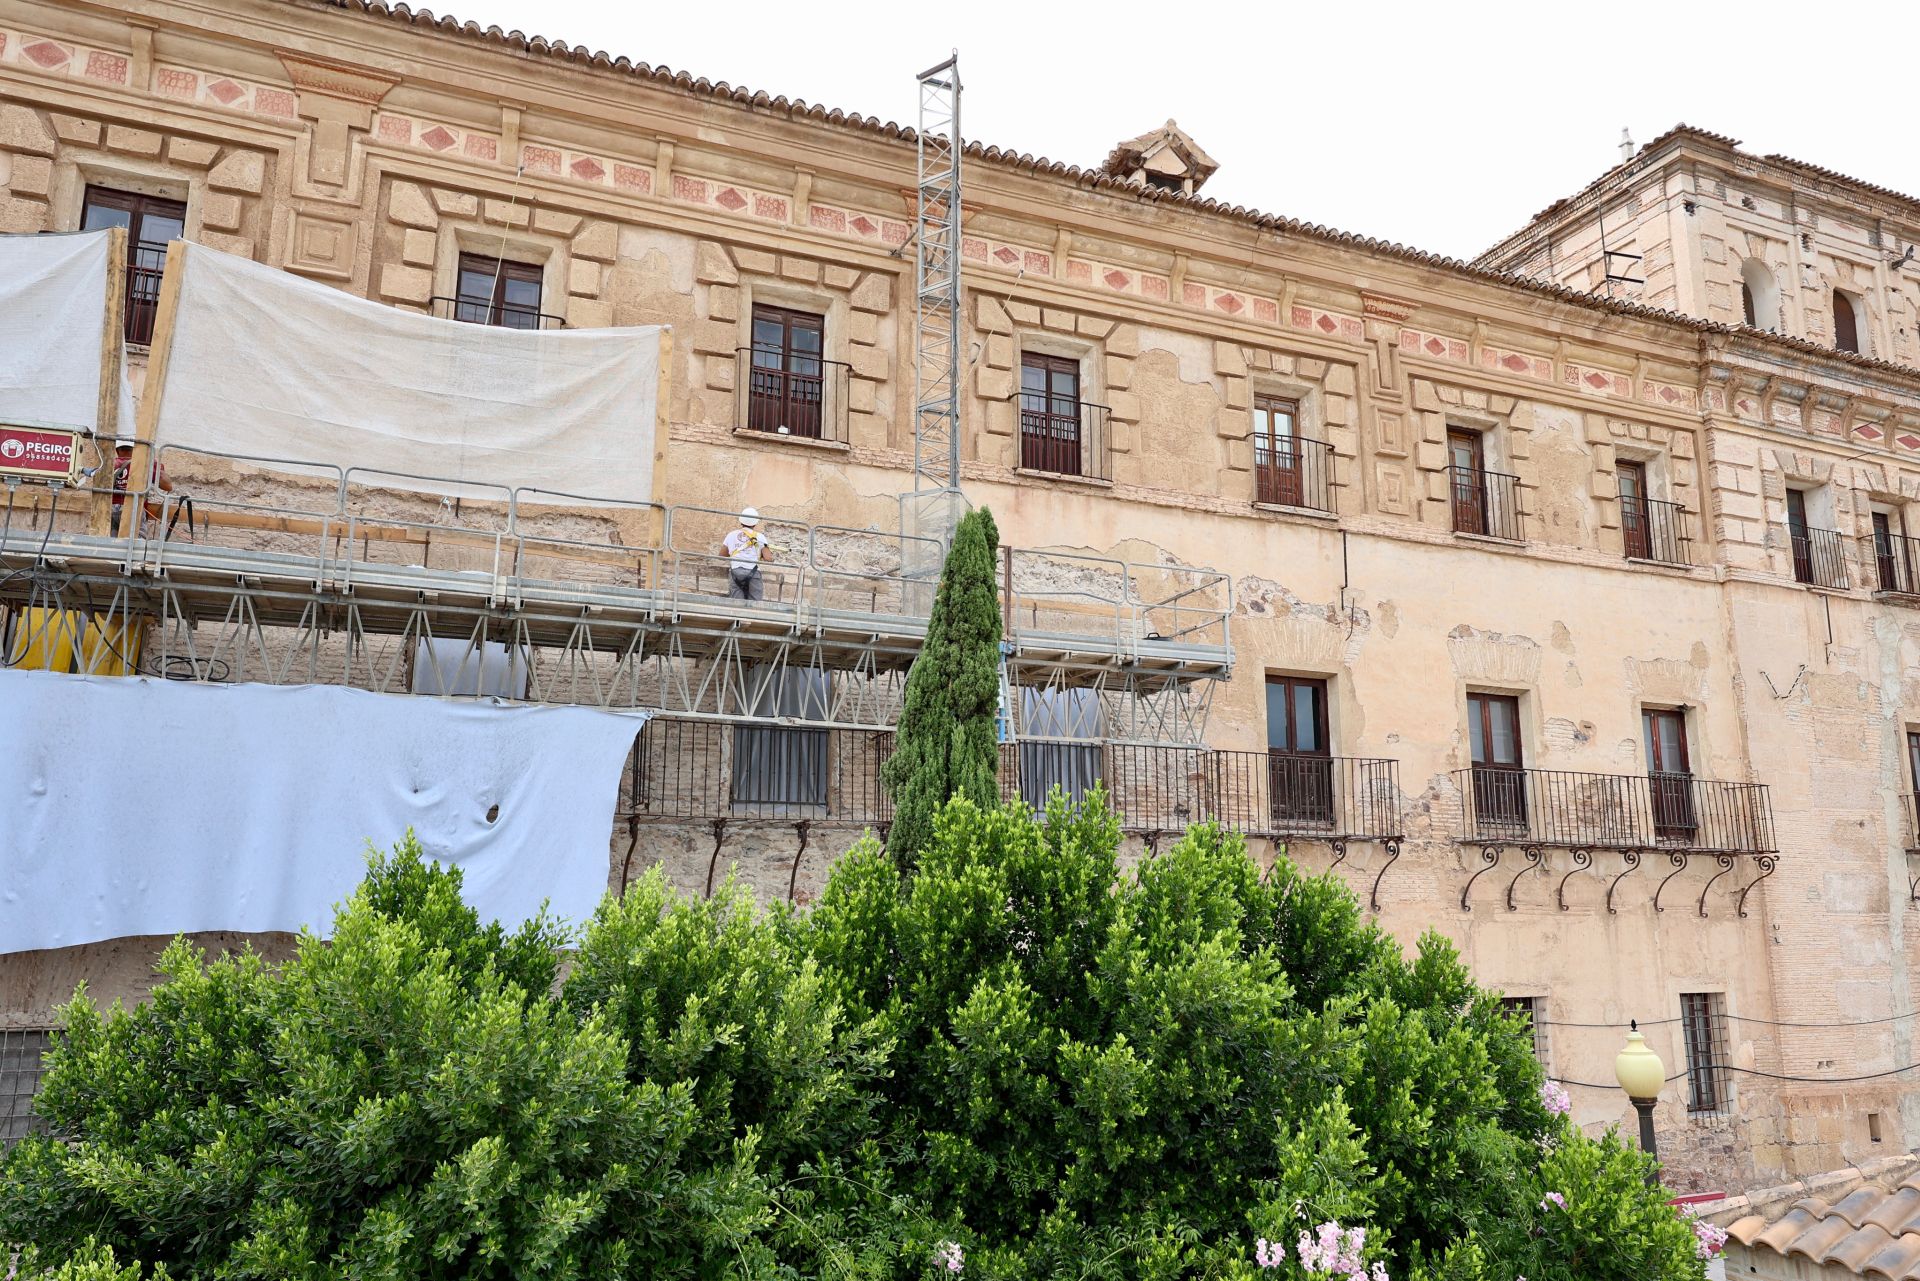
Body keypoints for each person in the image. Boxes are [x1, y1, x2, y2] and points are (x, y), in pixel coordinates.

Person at [108, 441, 175, 537]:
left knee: (111, 544)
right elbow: (168, 486)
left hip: (110, 509)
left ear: (117, 450)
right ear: (137, 449)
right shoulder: (145, 464)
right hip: (134, 508)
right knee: (136, 544)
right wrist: (154, 465)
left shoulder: (109, 463)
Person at [722, 507, 777, 600]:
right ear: (755, 523)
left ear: (741, 521)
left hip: (736, 572)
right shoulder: (760, 537)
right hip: (753, 572)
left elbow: (722, 554)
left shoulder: (731, 535)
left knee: (736, 603)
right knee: (755, 604)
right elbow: (768, 558)